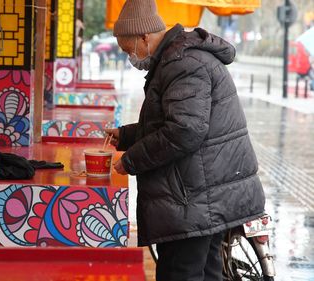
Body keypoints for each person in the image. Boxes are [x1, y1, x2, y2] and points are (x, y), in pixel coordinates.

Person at [104, 0, 266, 280]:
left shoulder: (182, 63)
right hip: (205, 193)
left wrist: (130, 160)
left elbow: (184, 131)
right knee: (208, 270)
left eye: (129, 49)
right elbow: (171, 121)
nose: (130, 57)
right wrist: (128, 136)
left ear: (144, 36)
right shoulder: (177, 59)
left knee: (182, 272)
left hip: (195, 197)